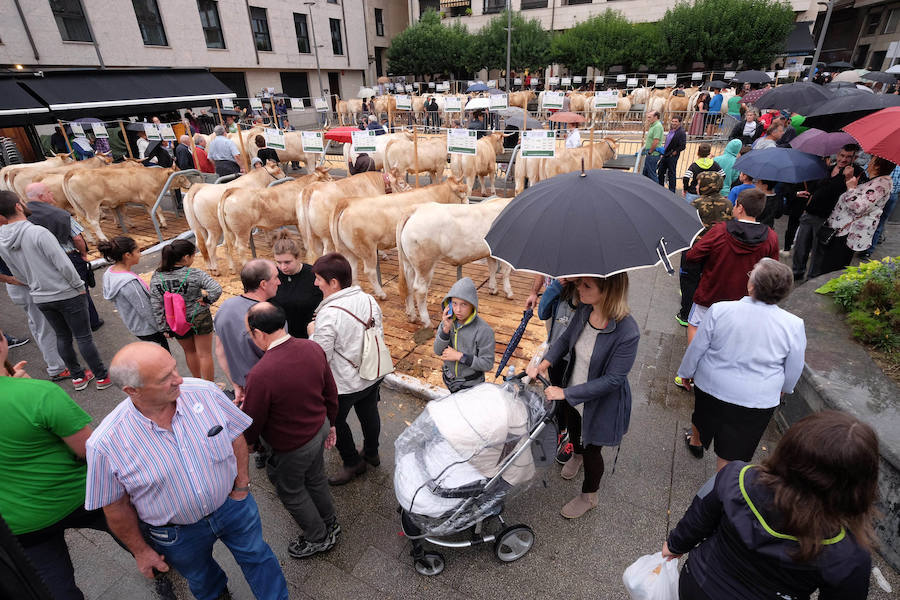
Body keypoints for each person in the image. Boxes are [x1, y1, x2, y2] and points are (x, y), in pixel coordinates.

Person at [84, 342, 290, 600]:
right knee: (202, 579)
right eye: (165, 378)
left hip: (233, 508)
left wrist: (242, 485)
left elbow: (235, 434)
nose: (179, 379)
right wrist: (141, 551)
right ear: (132, 390)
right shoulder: (105, 444)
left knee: (259, 558)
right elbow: (115, 507)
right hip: (175, 534)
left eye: (174, 368)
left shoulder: (205, 393)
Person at [663, 410, 876, 599]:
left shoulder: (738, 477)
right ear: (860, 487)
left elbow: (700, 513)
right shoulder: (848, 553)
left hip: (699, 583)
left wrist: (675, 545)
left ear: (788, 449)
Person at [0, 331, 125, 600]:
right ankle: (160, 569)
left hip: (20, 525)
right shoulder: (38, 394)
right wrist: (23, 390)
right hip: (84, 496)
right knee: (138, 537)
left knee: (55, 591)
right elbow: (88, 450)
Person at [527, 274, 640, 519]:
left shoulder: (628, 331)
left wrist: (565, 392)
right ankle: (575, 455)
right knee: (576, 433)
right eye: (580, 283)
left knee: (592, 451)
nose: (579, 287)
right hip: (573, 389)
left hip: (599, 403)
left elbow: (613, 380)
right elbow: (566, 339)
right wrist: (544, 363)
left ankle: (590, 495)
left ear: (608, 290)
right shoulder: (586, 308)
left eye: (587, 285)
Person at [677, 258, 805, 468]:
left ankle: (696, 441)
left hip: (712, 385)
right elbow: (794, 366)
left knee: (702, 415)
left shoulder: (720, 310)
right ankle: (722, 492)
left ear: (751, 285)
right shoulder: (793, 325)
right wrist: (783, 389)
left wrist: (686, 372)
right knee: (732, 452)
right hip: (757, 399)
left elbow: (698, 347)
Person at [241, 303, 341, 559]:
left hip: (292, 445)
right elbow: (330, 390)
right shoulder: (312, 347)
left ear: (259, 334)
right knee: (316, 477)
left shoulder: (260, 374)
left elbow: (253, 421)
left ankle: (318, 537)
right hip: (318, 428)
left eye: (249, 334)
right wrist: (331, 424)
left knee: (292, 490)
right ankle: (330, 521)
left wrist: (249, 445)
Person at [0, 192, 110, 391]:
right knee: (83, 337)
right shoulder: (38, 232)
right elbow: (63, 264)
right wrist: (78, 286)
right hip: (65, 292)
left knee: (62, 337)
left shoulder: (2, 240)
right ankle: (101, 376)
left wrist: (34, 283)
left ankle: (78, 377)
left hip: (40, 296)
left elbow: (17, 274)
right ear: (17, 206)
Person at [675, 189, 780, 391]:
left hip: (711, 292)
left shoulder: (721, 230)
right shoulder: (771, 238)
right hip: (746, 300)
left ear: (739, 207)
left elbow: (694, 255)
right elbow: (771, 268)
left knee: (695, 326)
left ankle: (692, 372)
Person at [309, 253, 386, 486]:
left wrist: (312, 330)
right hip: (372, 373)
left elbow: (320, 355)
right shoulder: (369, 300)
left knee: (336, 422)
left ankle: (352, 462)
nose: (315, 283)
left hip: (344, 384)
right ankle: (372, 452)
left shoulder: (329, 314)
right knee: (369, 412)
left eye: (319, 279)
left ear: (334, 283)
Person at [24, 181, 102, 331]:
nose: (52, 194)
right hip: (69, 257)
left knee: (59, 291)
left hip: (42, 261)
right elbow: (77, 238)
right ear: (41, 196)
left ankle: (68, 324)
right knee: (81, 289)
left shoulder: (24, 217)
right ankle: (92, 322)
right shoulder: (60, 214)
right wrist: (84, 254)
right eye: (49, 192)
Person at [808, 156, 896, 278]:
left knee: (832, 269)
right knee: (828, 265)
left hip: (848, 233)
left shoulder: (881, 184)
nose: (869, 162)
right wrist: (849, 179)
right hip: (842, 230)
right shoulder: (875, 180)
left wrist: (851, 188)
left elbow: (859, 207)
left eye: (873, 160)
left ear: (877, 165)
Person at [149, 239, 221, 381]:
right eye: (193, 256)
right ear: (186, 257)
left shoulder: (157, 276)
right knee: (204, 354)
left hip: (176, 320)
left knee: (189, 352)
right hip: (199, 316)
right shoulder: (195, 274)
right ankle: (210, 386)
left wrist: (164, 327)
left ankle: (197, 380)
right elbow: (216, 289)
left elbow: (156, 303)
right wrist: (207, 300)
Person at [791, 144, 866, 281]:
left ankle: (812, 279)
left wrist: (847, 179)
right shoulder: (828, 168)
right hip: (810, 213)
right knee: (800, 246)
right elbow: (816, 188)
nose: (843, 159)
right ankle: (797, 272)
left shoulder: (857, 173)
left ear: (854, 158)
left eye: (848, 157)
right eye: (841, 155)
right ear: (837, 154)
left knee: (818, 252)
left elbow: (854, 199)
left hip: (828, 218)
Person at [214, 259, 280, 404]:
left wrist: (236, 384)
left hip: (245, 391)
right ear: (263, 284)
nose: (279, 282)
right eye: (276, 277)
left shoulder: (225, 308)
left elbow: (220, 351)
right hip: (272, 391)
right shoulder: (271, 317)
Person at [677, 173, 733, 327]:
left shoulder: (696, 204)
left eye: (699, 183)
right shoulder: (728, 204)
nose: (696, 186)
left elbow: (685, 225)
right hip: (718, 250)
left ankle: (685, 315)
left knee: (688, 282)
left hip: (695, 249)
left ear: (706, 186)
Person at [0, 256, 68, 379]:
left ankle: (55, 362)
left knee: (37, 324)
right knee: (44, 326)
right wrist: (12, 280)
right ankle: (57, 368)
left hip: (19, 285)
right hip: (23, 285)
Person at [99, 236, 169, 351]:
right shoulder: (129, 283)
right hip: (150, 329)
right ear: (127, 255)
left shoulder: (110, 272)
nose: (140, 254)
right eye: (137, 251)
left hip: (136, 326)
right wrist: (163, 328)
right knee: (163, 361)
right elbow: (145, 309)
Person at [537, 278, 580, 464]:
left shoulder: (585, 296)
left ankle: (572, 435)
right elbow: (542, 312)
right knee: (554, 394)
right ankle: (560, 431)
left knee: (569, 399)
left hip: (575, 360)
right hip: (554, 355)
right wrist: (554, 287)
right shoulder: (559, 292)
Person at [433, 277, 496, 393]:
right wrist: (446, 329)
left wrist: (460, 356)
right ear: (449, 304)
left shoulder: (483, 330)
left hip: (471, 385)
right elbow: (437, 351)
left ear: (473, 305)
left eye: (464, 304)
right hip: (449, 379)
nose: (458, 310)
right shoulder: (447, 322)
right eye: (455, 303)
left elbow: (487, 364)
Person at [270, 230, 321, 338]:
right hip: (281, 337)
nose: (283, 267)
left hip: (308, 335)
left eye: (287, 262)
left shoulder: (313, 275)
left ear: (298, 258)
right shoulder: (272, 276)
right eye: (278, 262)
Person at [864, 164, 900, 257]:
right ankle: (867, 249)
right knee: (876, 221)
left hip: (887, 194)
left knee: (877, 220)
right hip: (887, 193)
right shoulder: (882, 161)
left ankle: (867, 249)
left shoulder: (882, 161)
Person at [657, 116, 686, 193]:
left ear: (679, 123)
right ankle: (660, 188)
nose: (673, 123)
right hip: (665, 154)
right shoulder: (671, 130)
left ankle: (672, 191)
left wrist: (675, 152)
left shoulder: (681, 132)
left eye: (676, 121)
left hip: (672, 156)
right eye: (673, 121)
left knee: (671, 174)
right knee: (660, 172)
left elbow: (683, 145)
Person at [641, 110, 664, 183]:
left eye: (649, 117)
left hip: (653, 154)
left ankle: (656, 190)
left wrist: (650, 152)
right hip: (651, 153)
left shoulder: (657, 126)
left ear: (656, 117)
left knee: (651, 174)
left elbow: (656, 141)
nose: (648, 119)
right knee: (646, 173)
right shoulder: (653, 125)